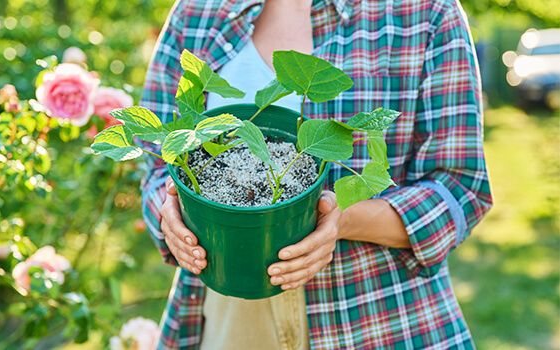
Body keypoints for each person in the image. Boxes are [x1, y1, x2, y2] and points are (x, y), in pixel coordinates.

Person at [139, 0, 493, 348]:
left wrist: (342, 219)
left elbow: (461, 189)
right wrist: (171, 213)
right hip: (231, 311)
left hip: (376, 315)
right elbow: (156, 161)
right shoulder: (197, 11)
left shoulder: (425, 12)